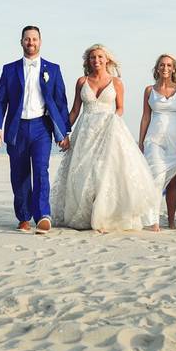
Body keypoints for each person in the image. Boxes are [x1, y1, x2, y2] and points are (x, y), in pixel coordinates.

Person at [51, 44, 155, 232]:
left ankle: (105, 217)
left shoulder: (116, 82)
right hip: (85, 131)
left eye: (100, 57)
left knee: (105, 173)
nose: (96, 60)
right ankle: (85, 215)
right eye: (92, 57)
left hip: (109, 129)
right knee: (84, 173)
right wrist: (63, 132)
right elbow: (75, 110)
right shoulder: (82, 81)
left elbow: (121, 107)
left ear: (107, 59)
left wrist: (114, 118)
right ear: (88, 61)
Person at [0, 26, 71, 235]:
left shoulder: (52, 69)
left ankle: (43, 215)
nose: (31, 43)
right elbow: (0, 101)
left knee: (41, 171)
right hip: (17, 128)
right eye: (27, 39)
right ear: (21, 42)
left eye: (34, 39)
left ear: (40, 42)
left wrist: (66, 132)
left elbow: (61, 102)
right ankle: (24, 217)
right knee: (19, 175)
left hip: (41, 128)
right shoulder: (9, 69)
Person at [138, 54, 176, 230]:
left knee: (173, 182)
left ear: (174, 68)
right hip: (154, 137)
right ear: (157, 68)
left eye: (169, 65)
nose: (165, 68)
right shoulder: (149, 90)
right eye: (162, 65)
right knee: (156, 176)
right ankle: (153, 219)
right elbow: (145, 117)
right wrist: (140, 141)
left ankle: (171, 220)